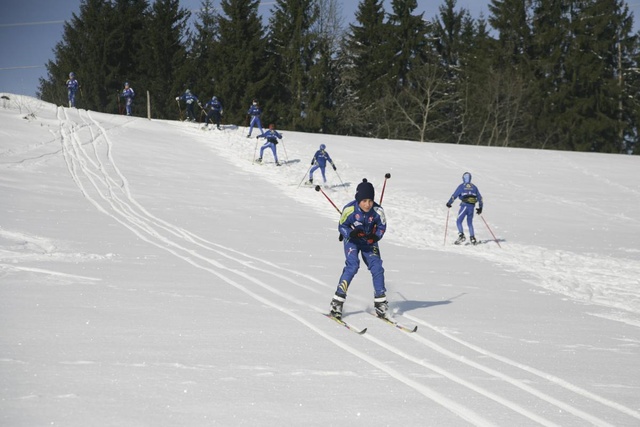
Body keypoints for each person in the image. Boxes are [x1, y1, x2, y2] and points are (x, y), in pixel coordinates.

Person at [330, 179, 389, 320]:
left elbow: (382, 226)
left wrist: (375, 237)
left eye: (370, 200)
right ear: (358, 199)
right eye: (364, 201)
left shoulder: (377, 210)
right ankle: (337, 302)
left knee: (377, 267)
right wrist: (350, 233)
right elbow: (342, 225)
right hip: (353, 241)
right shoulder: (349, 209)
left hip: (368, 241)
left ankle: (381, 302)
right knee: (353, 266)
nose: (367, 204)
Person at [446, 172, 483, 245]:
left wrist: (449, 203)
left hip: (464, 205)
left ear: (463, 178)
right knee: (469, 223)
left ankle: (461, 236)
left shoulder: (461, 186)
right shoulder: (474, 187)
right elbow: (480, 198)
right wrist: (480, 208)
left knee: (459, 221)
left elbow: (454, 196)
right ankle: (472, 238)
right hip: (472, 206)